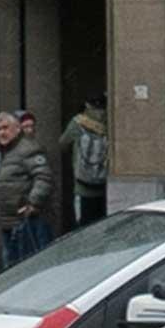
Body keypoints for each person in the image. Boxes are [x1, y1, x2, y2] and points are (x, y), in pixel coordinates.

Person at [0, 110, 54, 268]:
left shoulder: (27, 149)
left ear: (17, 129)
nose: (1, 132)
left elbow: (44, 177)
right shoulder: (2, 152)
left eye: (5, 128)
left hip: (24, 221)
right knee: (10, 266)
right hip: (6, 220)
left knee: (26, 266)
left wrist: (32, 203)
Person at [59, 93, 110, 230]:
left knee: (84, 225)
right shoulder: (109, 122)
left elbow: (63, 144)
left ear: (87, 105)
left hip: (82, 185)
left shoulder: (78, 123)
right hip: (104, 184)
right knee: (102, 223)